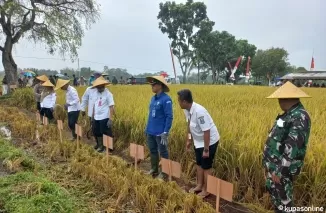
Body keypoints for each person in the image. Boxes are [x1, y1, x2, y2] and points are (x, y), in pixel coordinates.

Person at [263, 81, 311, 213]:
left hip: (282, 168)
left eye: (279, 99)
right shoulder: (288, 114)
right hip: (274, 165)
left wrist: (281, 170)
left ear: (286, 98)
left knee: (284, 202)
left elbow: (292, 146)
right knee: (277, 199)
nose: (278, 101)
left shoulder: (300, 116)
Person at [177, 89, 220, 198]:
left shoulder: (199, 112)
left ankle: (207, 190)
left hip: (209, 141)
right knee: (199, 163)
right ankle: (200, 185)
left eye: (179, 101)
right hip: (198, 141)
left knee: (206, 166)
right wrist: (189, 140)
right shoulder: (187, 110)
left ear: (185, 101)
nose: (178, 103)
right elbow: (189, 126)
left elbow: (206, 131)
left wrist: (206, 150)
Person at [145, 76, 173, 179]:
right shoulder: (153, 98)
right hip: (151, 131)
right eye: (151, 85)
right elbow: (150, 115)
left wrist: (165, 132)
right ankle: (154, 169)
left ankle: (164, 173)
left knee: (163, 152)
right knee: (153, 150)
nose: (152, 87)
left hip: (160, 132)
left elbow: (169, 117)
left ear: (160, 86)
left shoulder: (166, 99)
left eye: (153, 85)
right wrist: (147, 128)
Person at [91, 77, 115, 152]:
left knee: (105, 132)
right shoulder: (95, 94)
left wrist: (110, 119)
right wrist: (92, 116)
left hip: (105, 116)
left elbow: (111, 107)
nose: (99, 88)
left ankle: (108, 148)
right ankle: (100, 146)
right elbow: (94, 105)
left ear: (104, 85)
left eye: (100, 87)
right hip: (96, 116)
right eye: (97, 87)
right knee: (97, 132)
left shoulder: (108, 94)